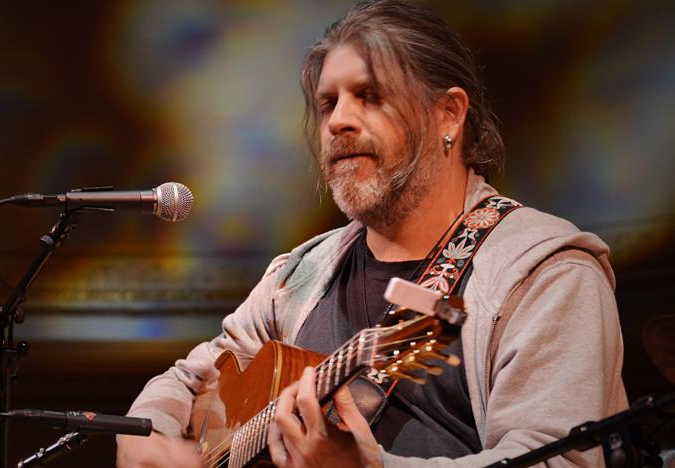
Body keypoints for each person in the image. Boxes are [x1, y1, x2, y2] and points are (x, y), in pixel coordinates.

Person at [117, 1, 627, 466]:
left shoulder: (547, 273)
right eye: (327, 103)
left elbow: (557, 462)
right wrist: (147, 432)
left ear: (448, 114)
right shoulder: (297, 277)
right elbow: (189, 379)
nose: (338, 121)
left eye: (370, 96)